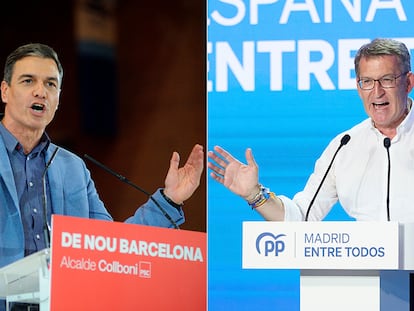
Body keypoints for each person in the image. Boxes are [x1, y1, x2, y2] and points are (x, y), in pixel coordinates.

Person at [0, 43, 204, 267]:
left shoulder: (72, 169)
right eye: (28, 81)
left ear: (58, 98)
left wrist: (169, 199)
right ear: (5, 91)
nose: (40, 91)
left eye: (50, 83)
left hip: (62, 301)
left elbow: (110, 245)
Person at [208, 38, 414, 222]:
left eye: (387, 80)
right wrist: (254, 194)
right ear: (359, 88)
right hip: (371, 264)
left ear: (408, 83)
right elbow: (301, 218)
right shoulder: (345, 146)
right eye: (367, 82)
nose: (377, 92)